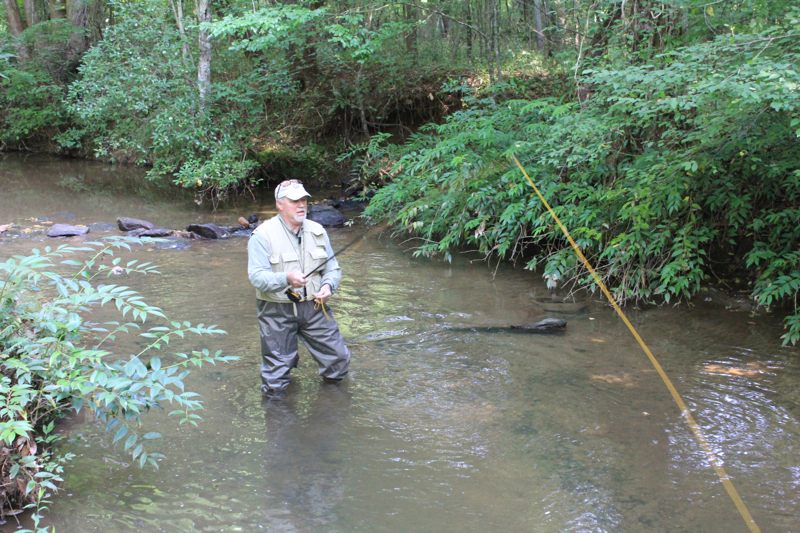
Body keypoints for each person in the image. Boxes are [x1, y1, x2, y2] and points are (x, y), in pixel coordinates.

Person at [247, 179, 350, 397]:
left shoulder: (318, 231)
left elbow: (332, 267)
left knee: (338, 360)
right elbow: (256, 277)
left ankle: (331, 406)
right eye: (294, 201)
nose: (301, 205)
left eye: (303, 199)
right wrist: (286, 278)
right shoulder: (262, 235)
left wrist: (328, 285)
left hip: (314, 306)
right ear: (279, 204)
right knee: (275, 378)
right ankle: (280, 420)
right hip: (276, 310)